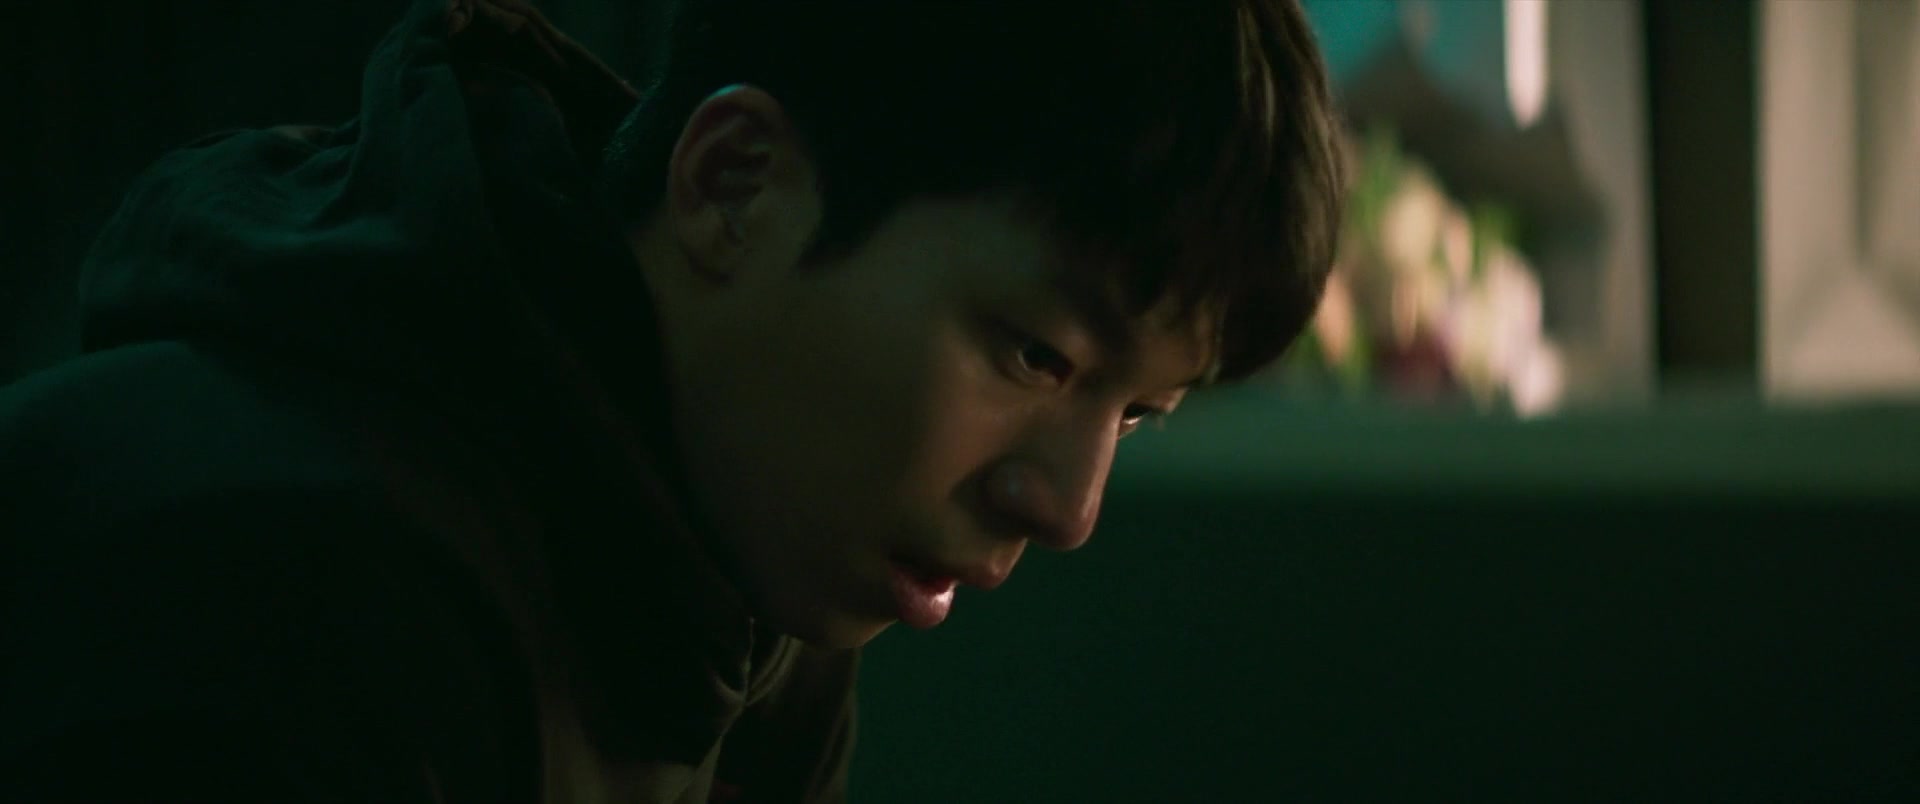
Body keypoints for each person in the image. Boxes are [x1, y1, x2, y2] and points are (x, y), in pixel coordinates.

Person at [0, 0, 1342, 800]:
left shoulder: (760, 586)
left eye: (1139, 413)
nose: (1068, 508)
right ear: (733, 184)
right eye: (1037, 356)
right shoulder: (296, 606)